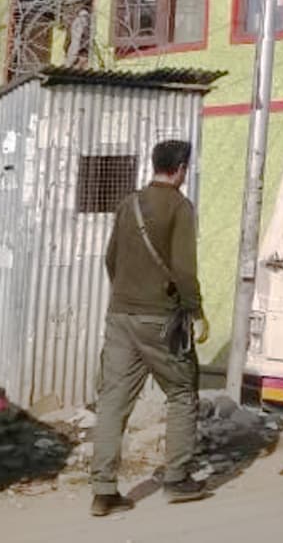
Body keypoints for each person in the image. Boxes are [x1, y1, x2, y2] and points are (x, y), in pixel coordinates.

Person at [91, 140, 211, 516]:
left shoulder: (129, 203)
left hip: (120, 316)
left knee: (113, 402)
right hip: (160, 319)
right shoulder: (179, 206)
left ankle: (103, 491)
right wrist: (195, 310)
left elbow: (111, 258)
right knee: (181, 392)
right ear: (179, 168)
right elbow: (184, 267)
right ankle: (177, 479)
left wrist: (127, 294)